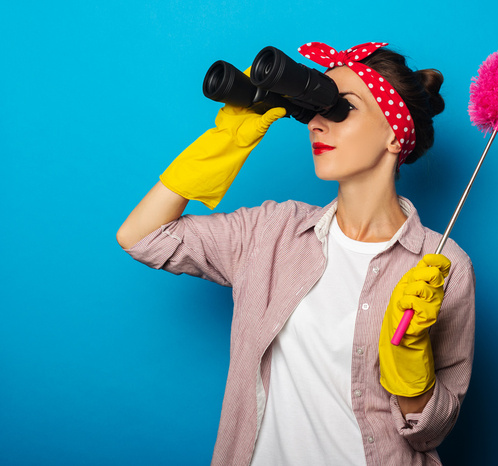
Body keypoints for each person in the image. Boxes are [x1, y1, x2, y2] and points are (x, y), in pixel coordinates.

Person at [117, 41, 475, 466]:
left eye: (342, 108)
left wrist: (412, 376)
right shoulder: (272, 231)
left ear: (395, 135)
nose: (317, 124)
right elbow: (142, 236)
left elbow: (431, 434)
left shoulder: (441, 265)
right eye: (314, 109)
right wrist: (224, 144)